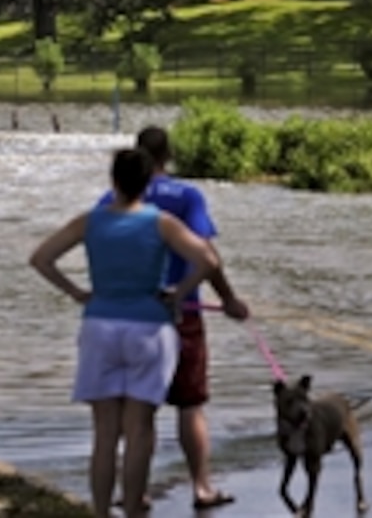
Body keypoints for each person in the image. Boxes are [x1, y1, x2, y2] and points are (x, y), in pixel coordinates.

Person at [30, 148, 220, 518]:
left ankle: (101, 513)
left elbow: (40, 259)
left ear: (113, 180)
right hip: (149, 328)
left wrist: (75, 292)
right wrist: (179, 292)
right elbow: (209, 260)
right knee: (139, 431)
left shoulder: (90, 221)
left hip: (100, 325)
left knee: (104, 435)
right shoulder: (161, 222)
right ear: (147, 183)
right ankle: (133, 509)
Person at [98, 125, 249, 510]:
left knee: (137, 411)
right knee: (190, 404)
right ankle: (201, 487)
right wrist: (229, 299)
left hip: (128, 316)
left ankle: (134, 492)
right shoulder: (187, 196)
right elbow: (206, 254)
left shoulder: (111, 199)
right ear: (169, 155)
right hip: (182, 314)